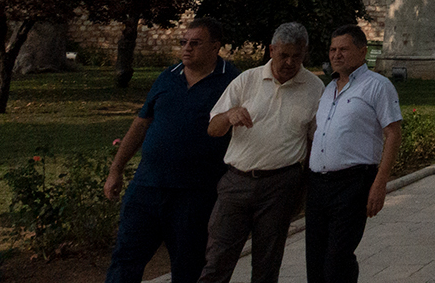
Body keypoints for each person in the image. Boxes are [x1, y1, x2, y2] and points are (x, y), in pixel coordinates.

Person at [105, 18, 240, 283]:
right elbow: (141, 124)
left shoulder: (234, 81)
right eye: (183, 43)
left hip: (194, 196)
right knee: (125, 260)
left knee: (188, 267)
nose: (186, 48)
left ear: (215, 47)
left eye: (195, 43)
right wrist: (116, 169)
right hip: (147, 189)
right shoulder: (168, 76)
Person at [200, 22, 323, 283]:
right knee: (217, 261)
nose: (290, 62)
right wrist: (229, 115)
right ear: (271, 50)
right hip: (236, 183)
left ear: (305, 53)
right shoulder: (247, 80)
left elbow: (315, 141)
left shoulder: (315, 88)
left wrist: (303, 188)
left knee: (267, 265)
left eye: (297, 56)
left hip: (280, 186)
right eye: (284, 55)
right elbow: (213, 128)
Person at [306, 25, 403, 283]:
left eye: (343, 49)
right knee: (315, 260)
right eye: (332, 49)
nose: (336, 55)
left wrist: (380, 183)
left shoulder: (378, 86)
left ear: (362, 52)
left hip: (352, 184)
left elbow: (393, 133)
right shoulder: (328, 90)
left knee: (337, 259)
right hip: (318, 185)